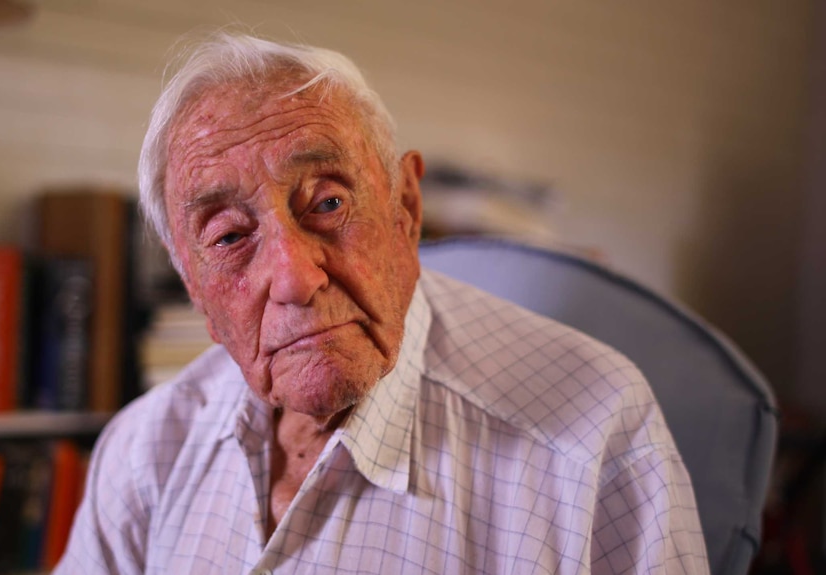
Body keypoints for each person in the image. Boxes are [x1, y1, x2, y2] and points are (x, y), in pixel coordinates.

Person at [57, 31, 708, 574]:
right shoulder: (146, 452)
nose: (293, 277)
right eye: (229, 236)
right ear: (194, 287)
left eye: (329, 203)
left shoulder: (593, 437)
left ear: (406, 209)